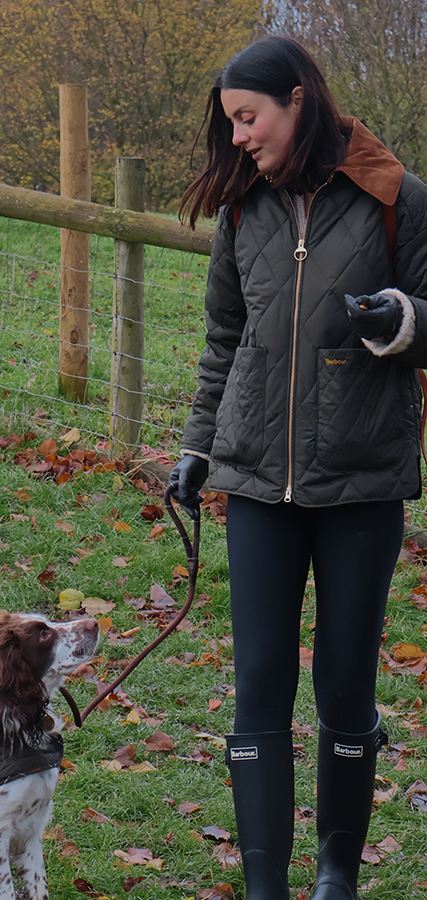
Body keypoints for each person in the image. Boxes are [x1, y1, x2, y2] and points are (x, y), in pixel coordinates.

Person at [168, 35, 427, 900]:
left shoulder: (395, 196)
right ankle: (264, 888)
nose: (237, 138)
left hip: (361, 482)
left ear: (298, 100)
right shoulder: (246, 210)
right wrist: (198, 445)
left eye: (249, 118)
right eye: (232, 123)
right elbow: (222, 341)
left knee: (346, 686)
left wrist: (400, 318)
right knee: (261, 686)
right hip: (255, 486)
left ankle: (335, 878)